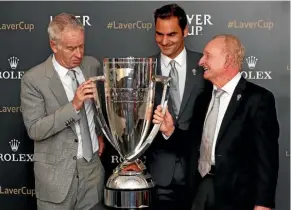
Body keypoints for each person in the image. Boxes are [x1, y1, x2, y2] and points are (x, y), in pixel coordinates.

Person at [152, 34, 280, 210]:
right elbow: (193, 144)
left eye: (207, 56)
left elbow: (267, 158)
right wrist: (171, 130)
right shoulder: (203, 99)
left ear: (227, 60)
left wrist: (263, 204)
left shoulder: (258, 99)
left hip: (237, 198)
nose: (201, 61)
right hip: (199, 192)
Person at [20, 13, 105, 210]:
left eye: (81, 46)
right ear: (54, 45)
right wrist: (74, 106)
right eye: (71, 48)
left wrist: (98, 135)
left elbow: (98, 110)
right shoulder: (33, 79)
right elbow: (35, 130)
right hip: (56, 178)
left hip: (91, 171)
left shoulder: (92, 65)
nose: (78, 54)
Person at [145, 3, 208, 210]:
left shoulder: (204, 65)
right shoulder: (144, 69)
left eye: (171, 34)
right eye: (159, 34)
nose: (164, 41)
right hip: (159, 175)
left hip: (200, 172)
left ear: (186, 30)